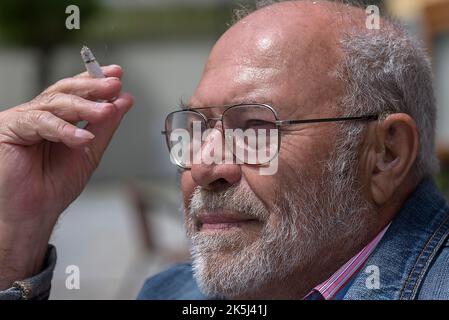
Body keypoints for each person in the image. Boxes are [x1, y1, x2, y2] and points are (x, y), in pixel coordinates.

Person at [0, 0, 448, 300]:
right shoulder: (170, 292)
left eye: (255, 126)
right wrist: (18, 233)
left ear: (386, 154)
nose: (204, 165)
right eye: (194, 128)